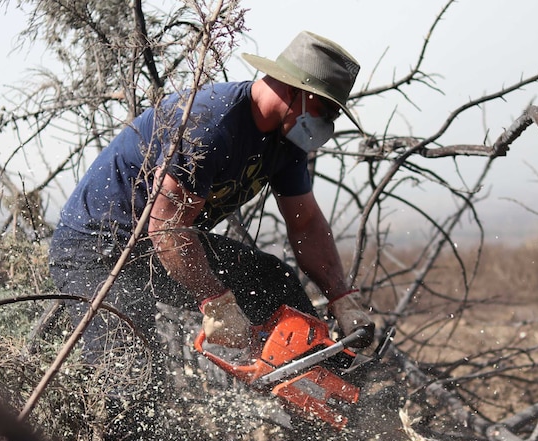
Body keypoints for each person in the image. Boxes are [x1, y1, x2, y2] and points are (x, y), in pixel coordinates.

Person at [48, 31, 375, 364]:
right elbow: (167, 226)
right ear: (294, 89)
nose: (326, 122)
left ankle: (327, 384)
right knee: (131, 372)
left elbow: (305, 225)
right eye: (325, 109)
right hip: (99, 249)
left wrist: (341, 296)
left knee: (273, 285)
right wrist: (217, 302)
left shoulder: (286, 140)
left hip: (161, 242)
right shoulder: (211, 122)